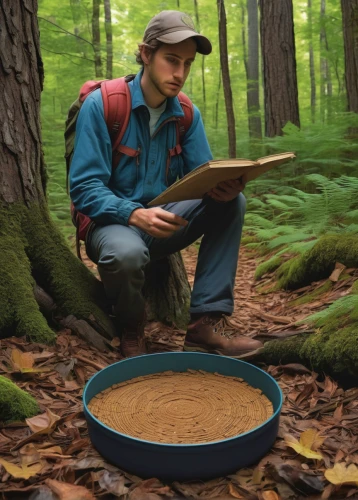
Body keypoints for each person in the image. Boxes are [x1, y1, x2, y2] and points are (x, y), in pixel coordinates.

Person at [70, 10, 263, 358]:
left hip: (161, 222)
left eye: (187, 64)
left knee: (233, 203)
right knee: (126, 253)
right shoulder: (105, 105)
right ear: (146, 54)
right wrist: (133, 213)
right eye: (171, 60)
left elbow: (203, 177)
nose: (179, 73)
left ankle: (205, 324)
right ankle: (131, 327)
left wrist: (224, 188)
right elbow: (84, 187)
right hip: (111, 227)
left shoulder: (187, 113)